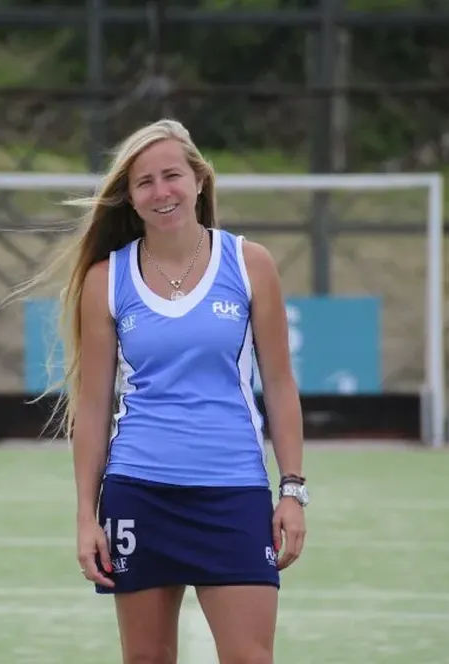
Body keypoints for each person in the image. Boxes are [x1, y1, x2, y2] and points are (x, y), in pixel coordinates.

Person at [50, 118, 308, 664]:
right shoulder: (107, 278)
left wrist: (291, 490)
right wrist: (84, 515)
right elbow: (92, 408)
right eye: (144, 182)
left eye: (172, 175)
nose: (161, 191)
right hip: (139, 493)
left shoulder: (249, 263)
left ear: (198, 181)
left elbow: (281, 388)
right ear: (131, 198)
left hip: (233, 492)